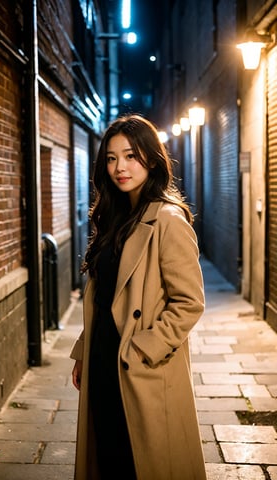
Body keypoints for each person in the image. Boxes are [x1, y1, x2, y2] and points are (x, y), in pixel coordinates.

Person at [70, 114, 207, 480]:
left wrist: (144, 348)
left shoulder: (168, 219)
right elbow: (104, 296)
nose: (120, 167)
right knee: (110, 456)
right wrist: (85, 352)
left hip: (138, 364)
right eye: (111, 158)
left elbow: (189, 302)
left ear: (150, 157)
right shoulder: (116, 216)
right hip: (103, 358)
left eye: (130, 156)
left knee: (140, 462)